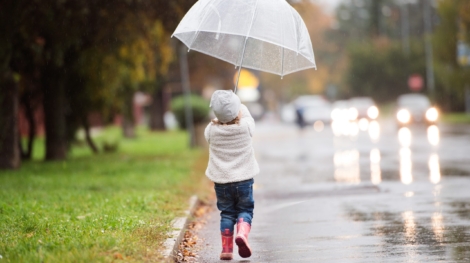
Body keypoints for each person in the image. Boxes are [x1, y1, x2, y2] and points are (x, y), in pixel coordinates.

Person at [204, 90, 259, 260]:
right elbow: (249, 118)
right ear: (238, 110)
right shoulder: (245, 127)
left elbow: (209, 127)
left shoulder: (211, 130)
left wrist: (226, 110)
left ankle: (226, 249)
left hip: (222, 182)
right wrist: (239, 105)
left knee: (227, 213)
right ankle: (242, 232)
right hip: (244, 180)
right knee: (245, 210)